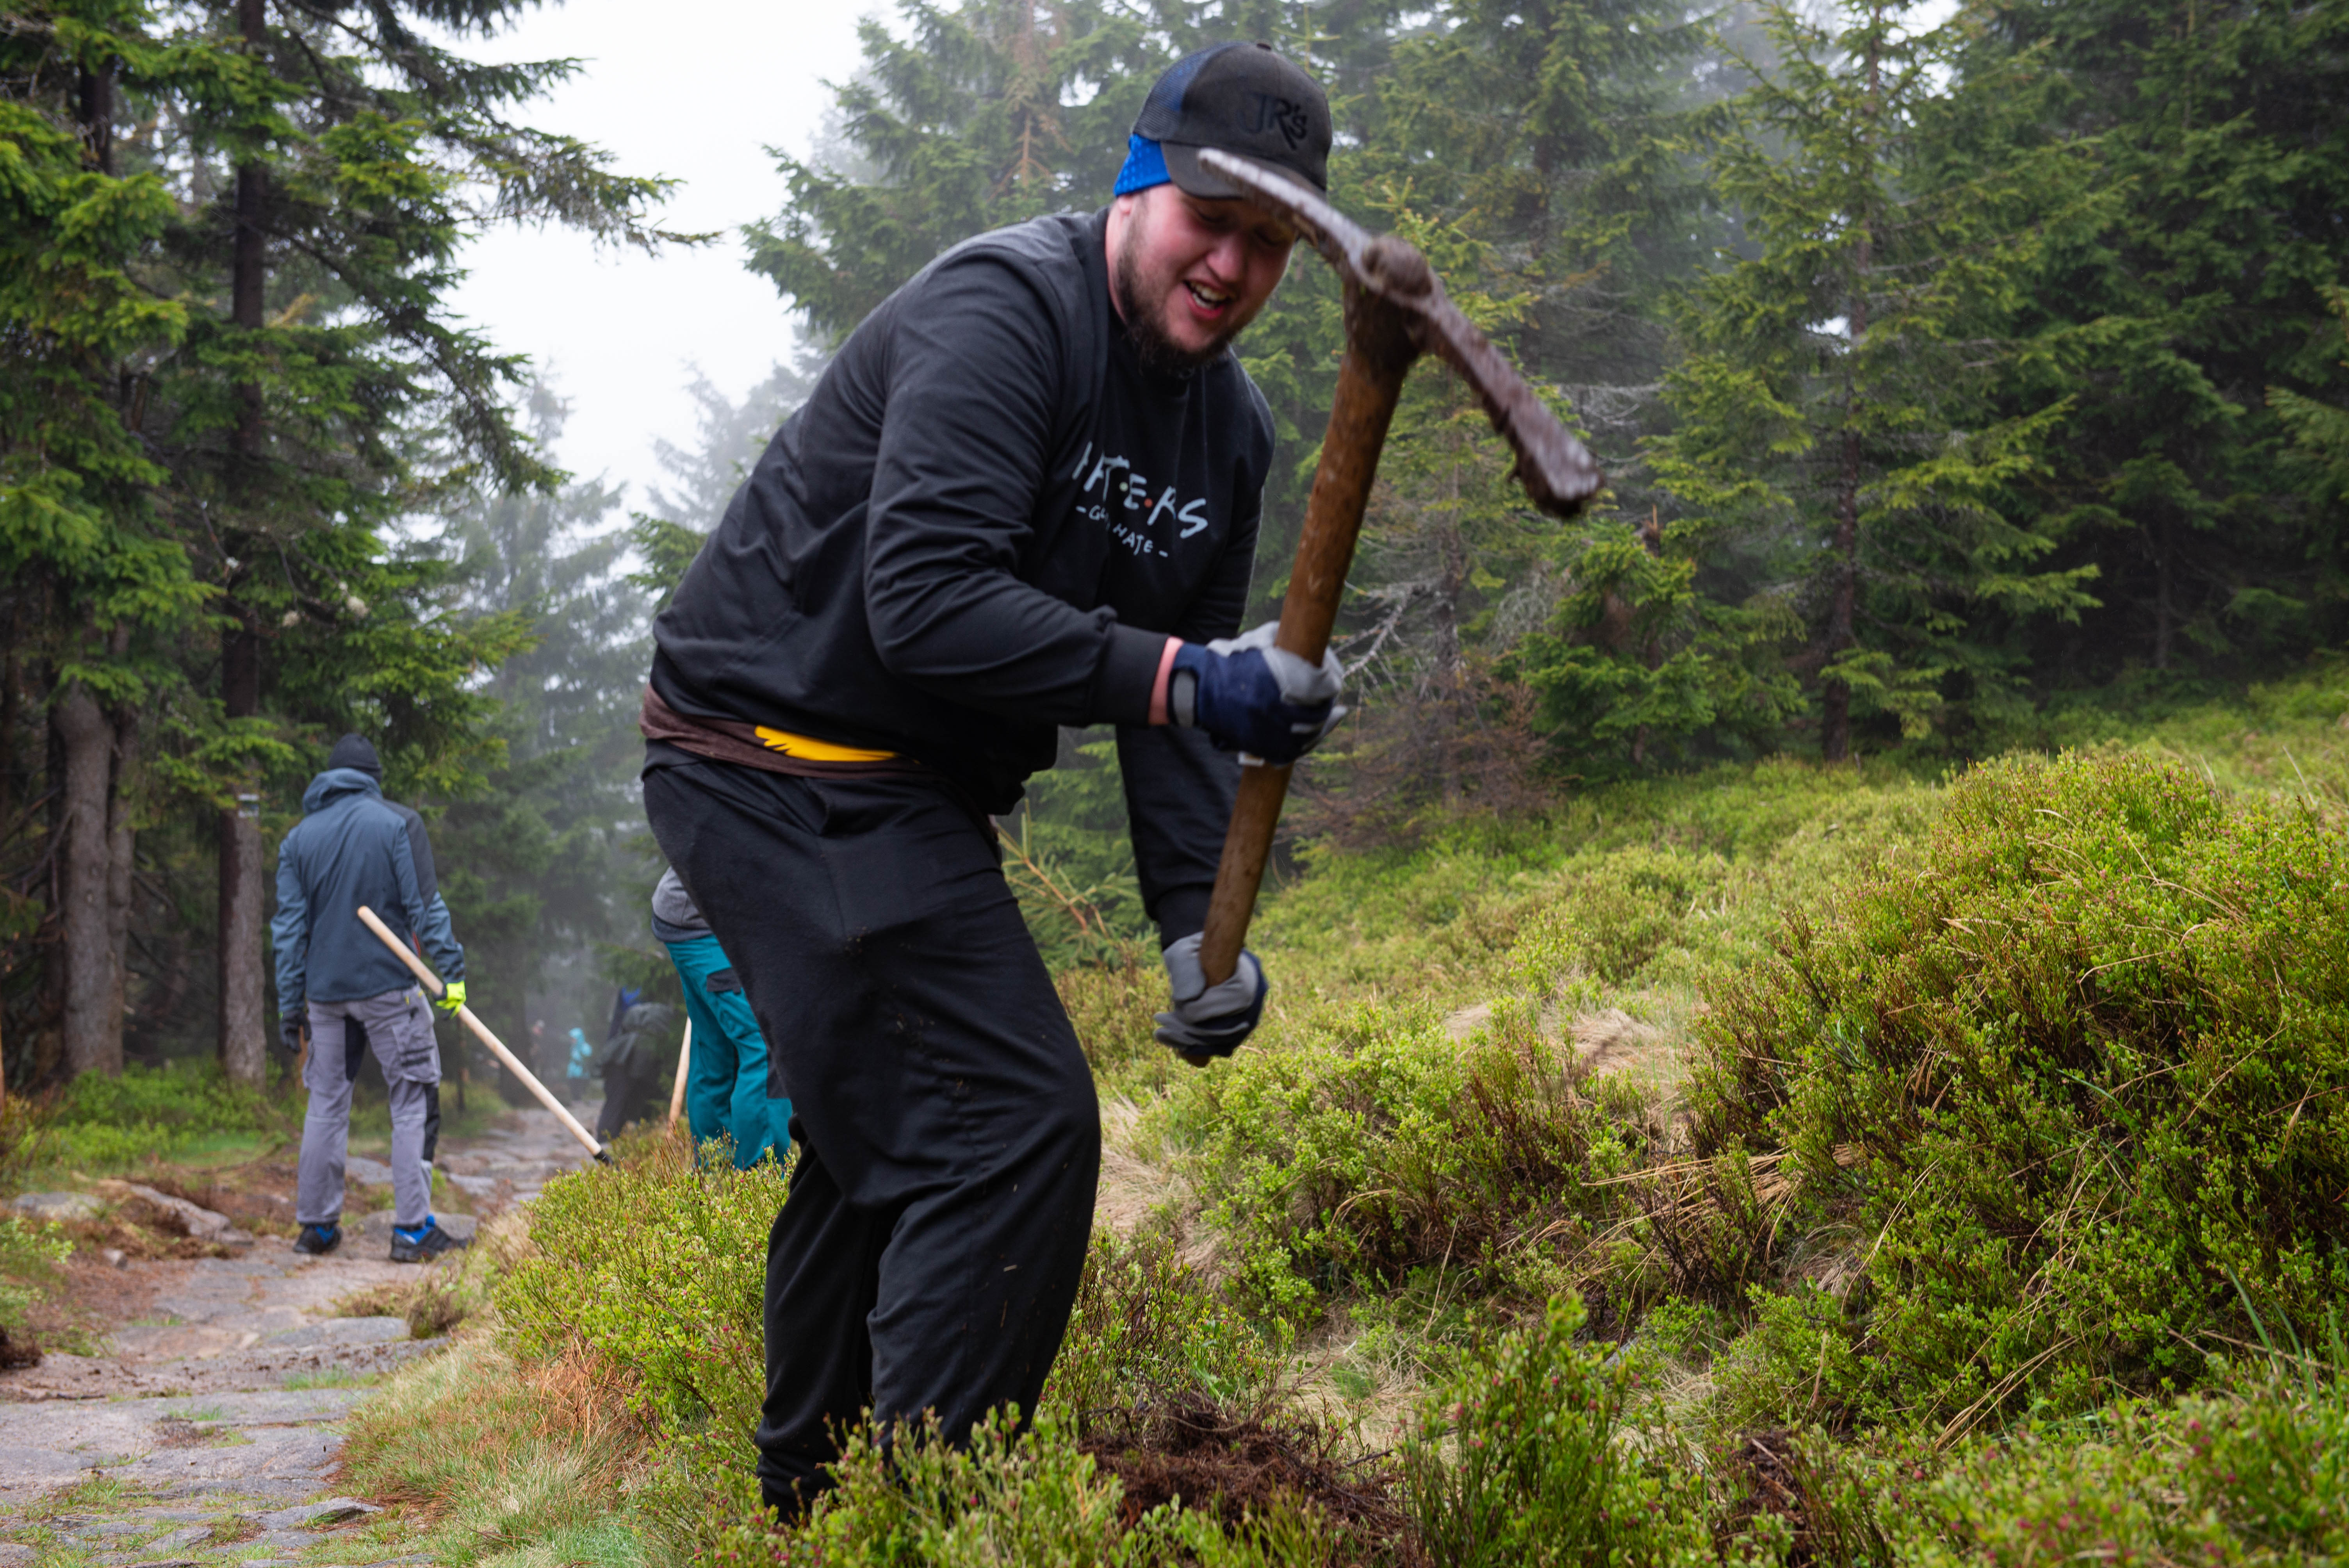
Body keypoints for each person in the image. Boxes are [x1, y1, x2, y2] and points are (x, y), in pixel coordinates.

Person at [638, 42, 1341, 1516]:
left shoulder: (1231, 434)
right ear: (1138, 183)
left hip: (903, 791)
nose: (1230, 264)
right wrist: (1185, 674)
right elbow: (926, 604)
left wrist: (1192, 929)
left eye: (1269, 242)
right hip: (767, 749)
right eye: (1210, 218)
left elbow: (1168, 714)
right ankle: (925, 1524)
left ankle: (813, 1509)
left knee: (884, 1131)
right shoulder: (1003, 312)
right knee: (1011, 1126)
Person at [272, 733, 471, 1263]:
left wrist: (290, 1006)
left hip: (325, 997)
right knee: (412, 1097)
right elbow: (426, 906)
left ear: (328, 782)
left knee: (327, 1103)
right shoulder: (397, 823)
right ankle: (410, 1232)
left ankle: (316, 1228)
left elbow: (290, 932)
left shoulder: (299, 840)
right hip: (390, 990)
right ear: (374, 781)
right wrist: (451, 972)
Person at [652, 867, 791, 1167]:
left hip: (688, 917)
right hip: (705, 924)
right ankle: (761, 1182)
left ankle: (715, 1172)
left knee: (714, 1048)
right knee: (765, 1045)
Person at [591, 987, 681, 1140]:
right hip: (627, 1064)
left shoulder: (632, 1031)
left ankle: (608, 1141)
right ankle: (608, 1142)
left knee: (618, 1103)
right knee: (619, 1103)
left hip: (621, 1061)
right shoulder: (656, 1025)